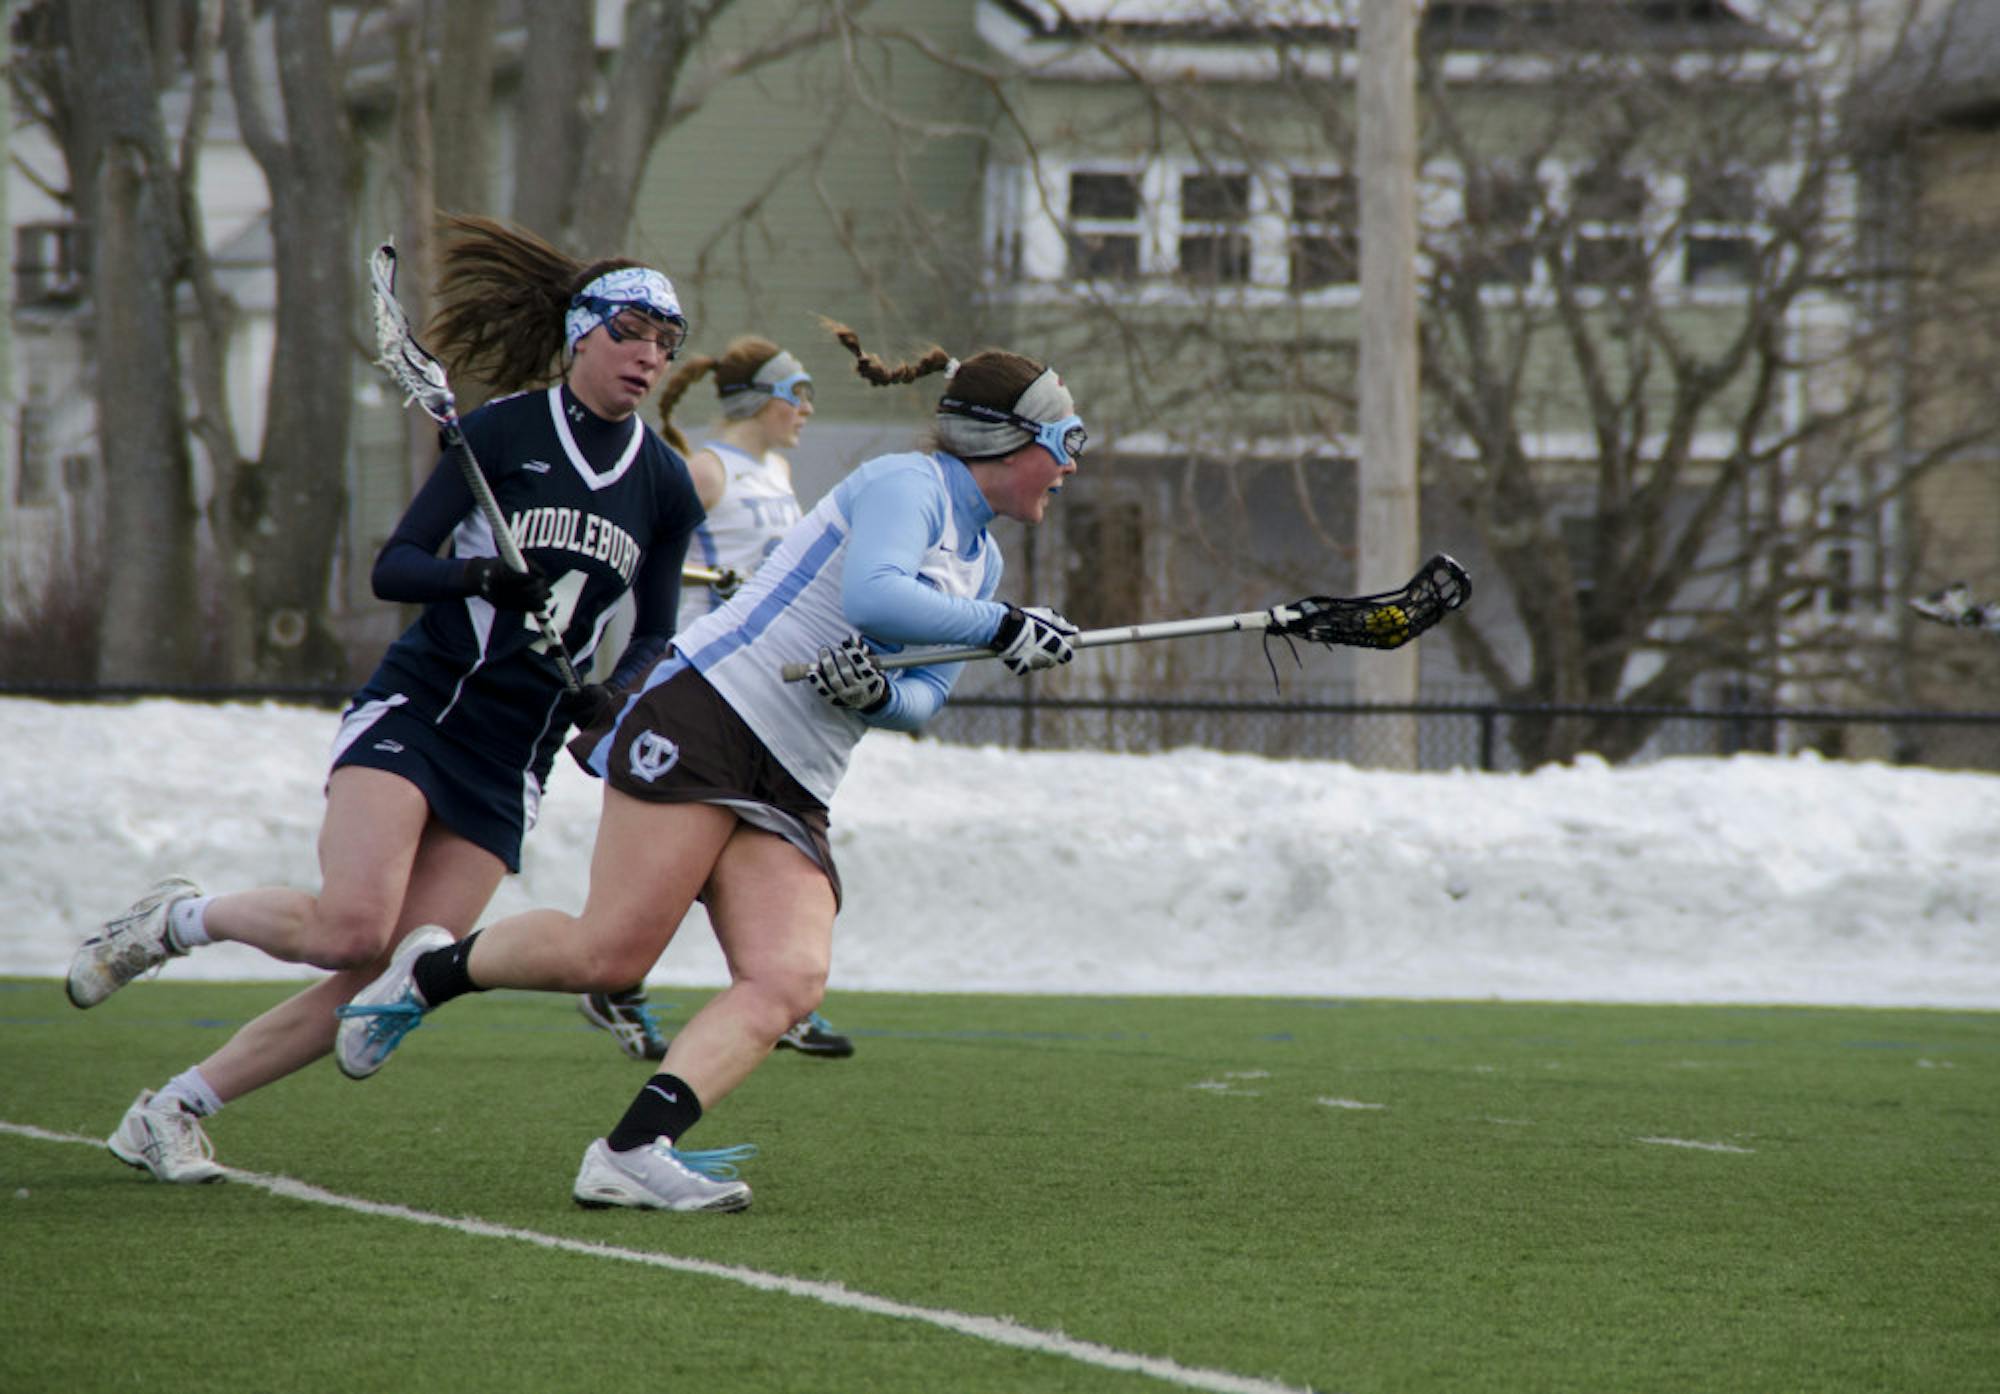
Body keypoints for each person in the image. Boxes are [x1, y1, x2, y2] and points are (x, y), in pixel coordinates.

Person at [332, 323, 1086, 1213]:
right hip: (713, 712)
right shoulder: (909, 484)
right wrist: (1004, 626)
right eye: (1064, 442)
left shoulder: (981, 561)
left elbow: (921, 700)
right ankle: (430, 972)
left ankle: (632, 1151)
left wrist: (875, 691)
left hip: (797, 774)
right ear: (1008, 441)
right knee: (609, 954)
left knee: (788, 979)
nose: (1071, 466)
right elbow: (877, 595)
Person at [64, 213, 706, 1184]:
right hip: (424, 708)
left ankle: (171, 1110)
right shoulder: (501, 432)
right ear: (582, 332)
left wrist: (614, 692)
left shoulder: (664, 484)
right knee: (351, 929)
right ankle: (175, 920)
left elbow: (656, 629)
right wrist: (482, 579)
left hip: (513, 757)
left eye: (665, 341)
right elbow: (395, 566)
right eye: (631, 332)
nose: (648, 355)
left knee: (387, 973)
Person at [576, 335, 858, 1064]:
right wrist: (709, 581)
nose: (807, 409)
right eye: (797, 394)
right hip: (695, 682)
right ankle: (616, 978)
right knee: (677, 852)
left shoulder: (778, 473)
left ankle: (771, 990)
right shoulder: (706, 470)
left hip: (754, 691)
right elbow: (638, 558)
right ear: (762, 400)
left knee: (738, 844)